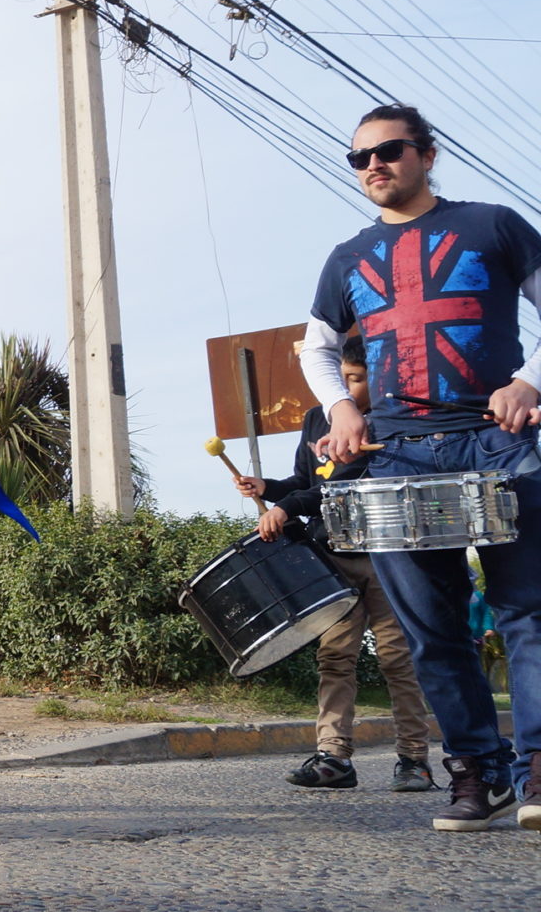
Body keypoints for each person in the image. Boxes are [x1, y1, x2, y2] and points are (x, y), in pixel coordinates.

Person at [299, 103, 541, 833]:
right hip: (397, 458)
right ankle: (477, 772)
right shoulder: (347, 256)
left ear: (427, 155)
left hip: (495, 442)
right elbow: (316, 346)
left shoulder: (493, 225)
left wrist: (529, 381)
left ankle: (537, 767)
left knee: (528, 614)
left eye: (390, 150)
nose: (374, 164)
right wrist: (341, 408)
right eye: (360, 157)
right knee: (431, 629)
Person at [232, 336, 434, 792]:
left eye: (357, 380)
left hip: (386, 558)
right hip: (333, 559)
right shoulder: (314, 419)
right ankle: (333, 757)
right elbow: (307, 482)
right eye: (341, 378)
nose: (345, 388)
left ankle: (414, 759)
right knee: (335, 657)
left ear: (380, 378)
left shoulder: (389, 423)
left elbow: (342, 486)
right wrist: (269, 488)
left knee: (397, 659)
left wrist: (287, 506)